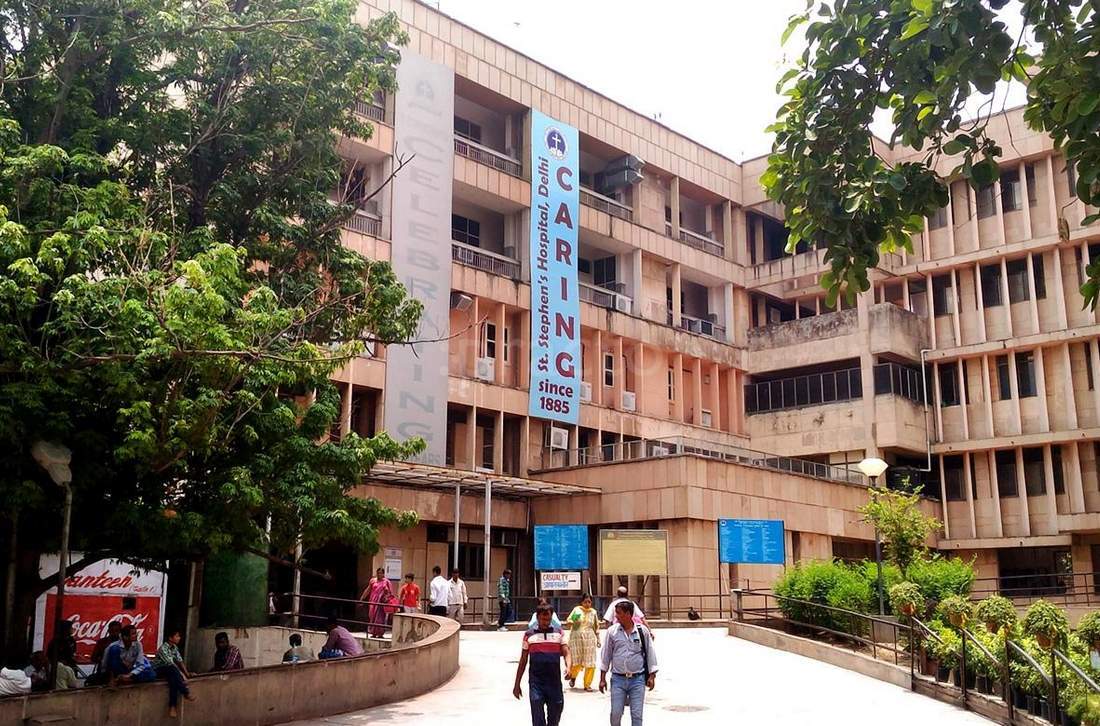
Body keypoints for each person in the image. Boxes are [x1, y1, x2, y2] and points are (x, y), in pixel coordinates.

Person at [599, 600, 658, 726]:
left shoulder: (642, 631)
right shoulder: (612, 632)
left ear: (628, 614)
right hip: (618, 680)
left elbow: (650, 653)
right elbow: (606, 655)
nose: (616, 616)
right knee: (616, 714)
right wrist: (602, 678)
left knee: (637, 715)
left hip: (637, 680)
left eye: (619, 613)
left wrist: (652, 676)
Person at [512, 603, 571, 726]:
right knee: (537, 716)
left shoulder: (559, 633)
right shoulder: (529, 635)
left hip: (554, 683)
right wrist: (517, 684)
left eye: (548, 619)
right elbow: (523, 660)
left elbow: (566, 652)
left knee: (555, 714)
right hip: (536, 683)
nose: (546, 622)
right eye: (543, 619)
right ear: (537, 618)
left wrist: (569, 667)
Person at [151, 629, 194, 717]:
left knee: (173, 680)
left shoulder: (174, 647)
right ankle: (185, 692)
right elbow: (171, 664)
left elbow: (180, 661)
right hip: (158, 670)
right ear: (170, 638)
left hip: (169, 671)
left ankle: (172, 707)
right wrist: (182, 675)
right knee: (172, 669)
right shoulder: (163, 648)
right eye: (177, 636)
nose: (179, 638)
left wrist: (187, 673)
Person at [565, 594, 600, 691]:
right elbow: (569, 621)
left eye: (589, 602)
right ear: (581, 602)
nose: (587, 604)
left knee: (590, 662)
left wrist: (598, 639)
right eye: (585, 602)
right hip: (577, 639)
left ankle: (587, 684)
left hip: (589, 640)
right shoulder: (577, 610)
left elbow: (596, 626)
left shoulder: (593, 612)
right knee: (577, 660)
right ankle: (573, 677)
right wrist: (572, 622)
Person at [361, 567, 397, 637]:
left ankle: (380, 633)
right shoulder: (372, 581)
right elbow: (368, 590)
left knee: (380, 618)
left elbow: (391, 593)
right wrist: (362, 598)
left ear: (383, 574)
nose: (379, 574)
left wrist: (387, 596)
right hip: (373, 601)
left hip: (381, 602)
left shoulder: (386, 582)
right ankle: (373, 633)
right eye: (378, 573)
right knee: (372, 616)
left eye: (381, 573)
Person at [86, 620, 122, 685]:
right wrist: (103, 659)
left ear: (120, 631)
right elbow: (93, 658)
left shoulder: (123, 642)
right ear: (108, 631)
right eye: (112, 631)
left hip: (121, 671)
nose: (114, 633)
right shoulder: (102, 642)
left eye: (116, 631)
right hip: (105, 671)